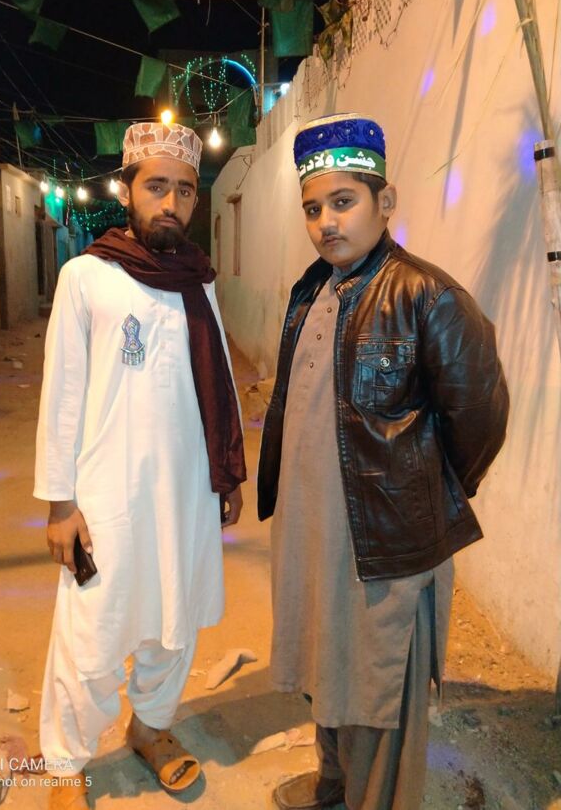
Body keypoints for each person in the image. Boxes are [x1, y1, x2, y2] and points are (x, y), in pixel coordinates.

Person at [257, 113, 509, 810]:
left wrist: (416, 496)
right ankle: (336, 785)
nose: (326, 222)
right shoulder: (314, 289)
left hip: (383, 545)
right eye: (313, 208)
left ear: (385, 201)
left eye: (343, 202)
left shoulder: (428, 296)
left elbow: (480, 415)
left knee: (374, 684)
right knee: (325, 669)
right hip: (315, 535)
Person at [34, 121, 246, 810]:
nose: (171, 203)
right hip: (108, 495)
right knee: (91, 632)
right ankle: (65, 762)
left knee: (173, 620)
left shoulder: (199, 282)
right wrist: (60, 503)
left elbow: (219, 381)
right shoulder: (85, 277)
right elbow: (62, 395)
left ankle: (150, 727)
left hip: (185, 490)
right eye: (157, 186)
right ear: (126, 190)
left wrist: (226, 474)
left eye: (184, 190)